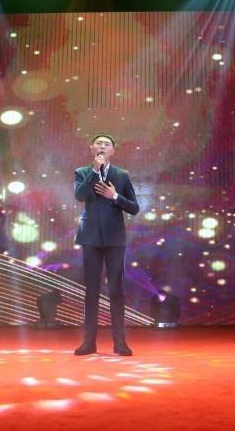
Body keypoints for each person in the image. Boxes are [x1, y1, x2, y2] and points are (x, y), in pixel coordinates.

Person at [73, 134, 140, 356]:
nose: (102, 146)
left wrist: (115, 196)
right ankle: (89, 342)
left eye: (107, 144)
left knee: (116, 290)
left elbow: (134, 208)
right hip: (90, 238)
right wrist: (94, 171)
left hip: (115, 239)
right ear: (92, 148)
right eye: (99, 143)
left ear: (113, 151)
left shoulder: (121, 175)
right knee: (91, 291)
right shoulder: (82, 172)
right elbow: (80, 196)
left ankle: (120, 343)